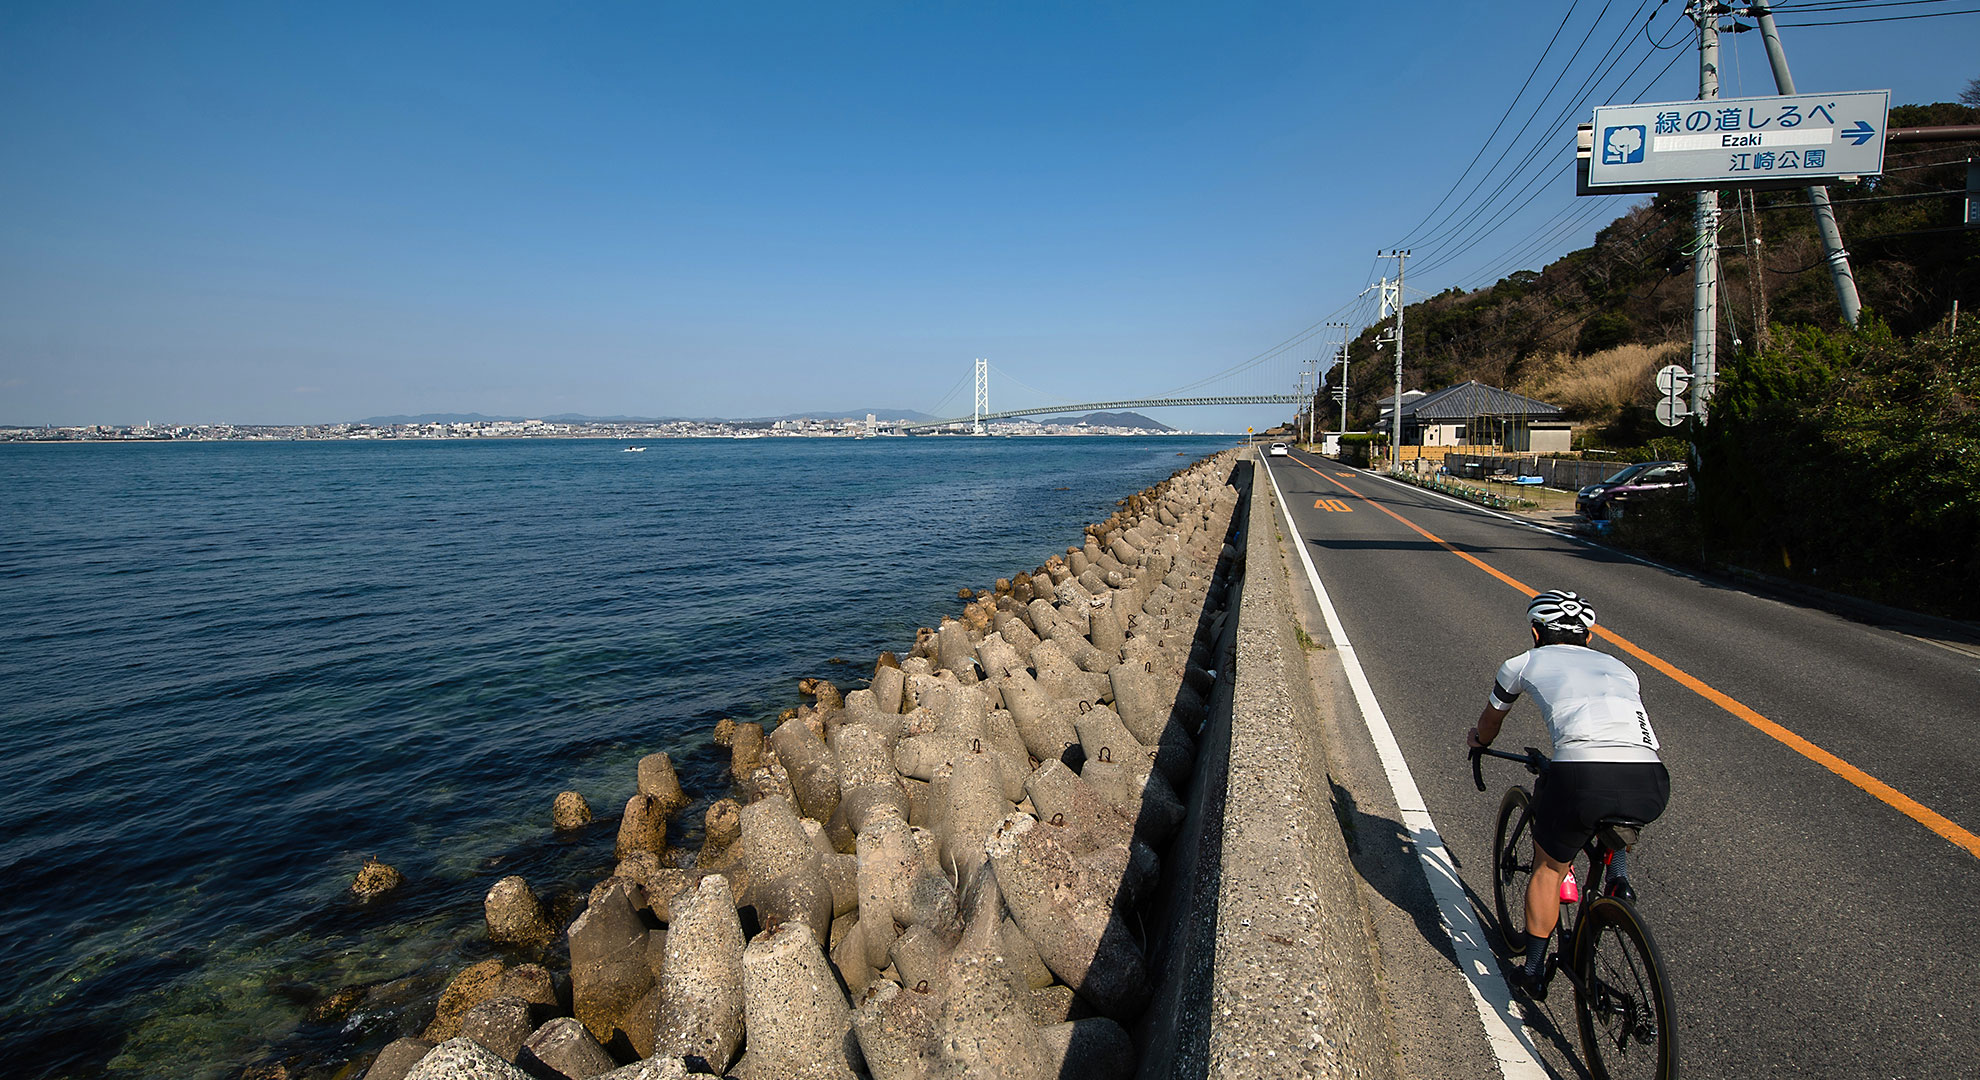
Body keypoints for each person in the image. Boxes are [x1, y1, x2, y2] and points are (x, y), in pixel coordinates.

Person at [1467, 590, 1669, 999]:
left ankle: (1535, 970)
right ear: (1589, 638)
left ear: (1536, 632)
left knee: (1548, 866)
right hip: (1650, 778)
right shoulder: (1623, 668)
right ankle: (1618, 880)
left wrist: (1478, 741)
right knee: (1610, 808)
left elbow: (1490, 723)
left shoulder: (1521, 663)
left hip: (1580, 774)